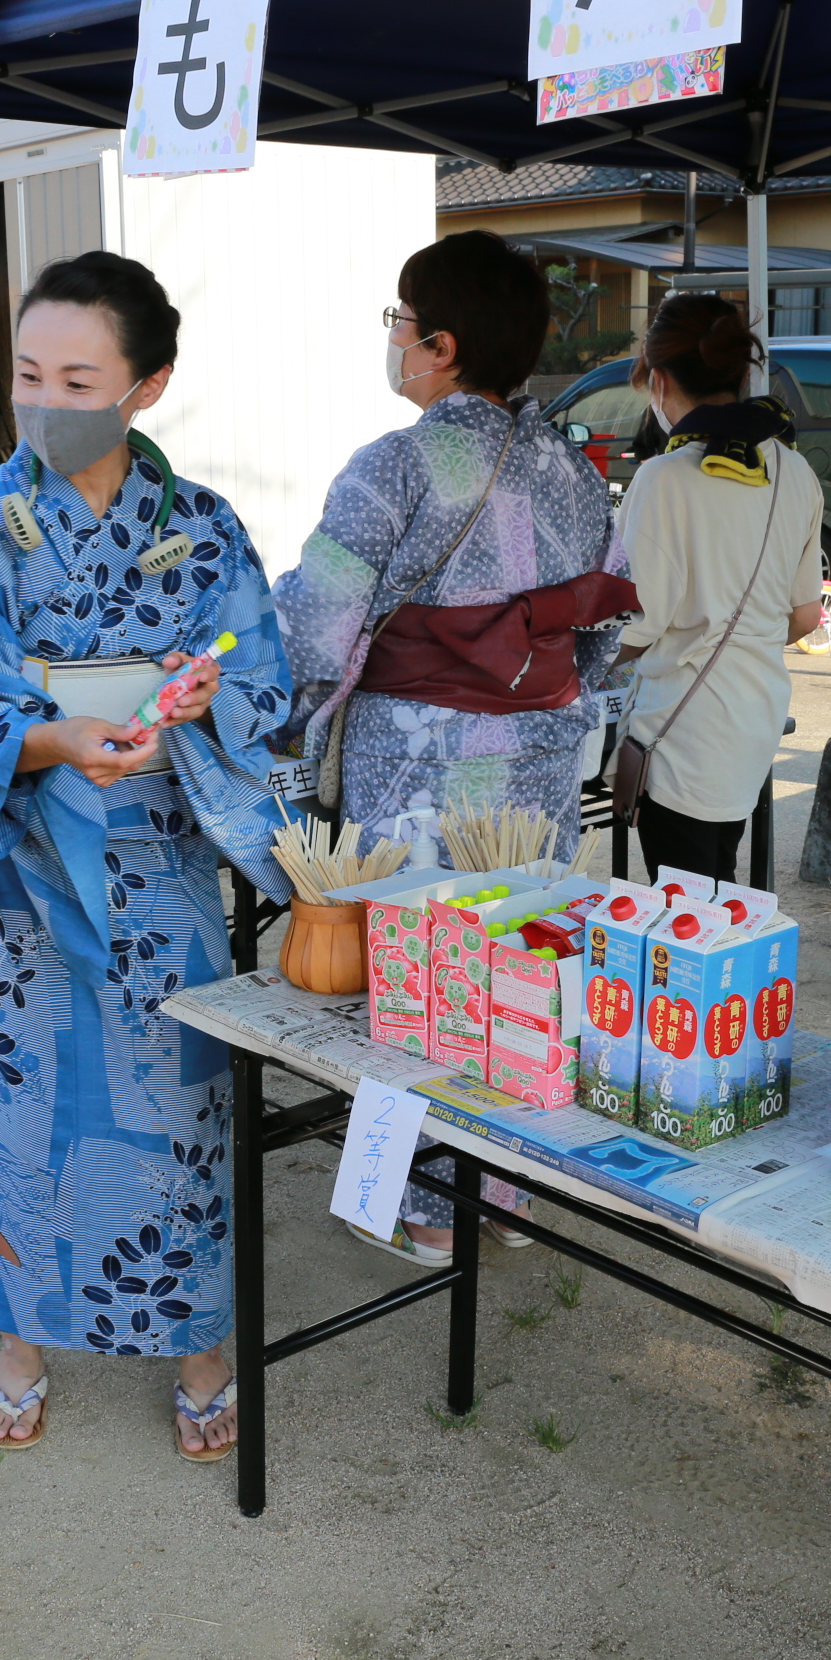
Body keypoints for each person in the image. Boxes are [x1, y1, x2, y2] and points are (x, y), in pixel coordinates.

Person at [0, 251, 293, 1460]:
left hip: (162, 866)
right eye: (29, 374)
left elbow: (263, 673)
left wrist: (203, 692)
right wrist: (49, 739)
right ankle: (23, 1334)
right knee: (26, 1113)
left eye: (78, 377)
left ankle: (199, 1342)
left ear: (146, 385)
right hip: (25, 876)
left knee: (178, 1111)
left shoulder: (204, 527)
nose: (46, 401)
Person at [273, 228, 629, 1264]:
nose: (393, 339)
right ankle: (504, 1195)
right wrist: (542, 698)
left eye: (399, 321)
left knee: (417, 972)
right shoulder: (573, 468)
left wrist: (291, 714)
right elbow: (603, 627)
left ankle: (415, 1203)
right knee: (517, 965)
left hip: (415, 756)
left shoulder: (393, 465)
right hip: (538, 763)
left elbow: (318, 628)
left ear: (438, 345)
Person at [613, 295, 825, 883]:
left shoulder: (663, 478)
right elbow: (806, 615)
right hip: (756, 718)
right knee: (716, 889)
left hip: (683, 731)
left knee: (685, 911)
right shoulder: (795, 469)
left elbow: (635, 622)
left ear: (657, 380)